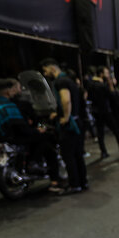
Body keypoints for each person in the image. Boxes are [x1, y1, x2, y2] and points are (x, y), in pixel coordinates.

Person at [0, 78, 61, 191]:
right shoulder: (8, 105)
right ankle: (38, 167)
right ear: (9, 91)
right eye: (17, 88)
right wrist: (37, 131)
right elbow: (22, 129)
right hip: (11, 138)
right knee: (45, 140)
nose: (19, 90)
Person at [41, 58, 88, 195]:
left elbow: (66, 100)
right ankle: (82, 182)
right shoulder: (70, 81)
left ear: (52, 68)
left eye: (45, 70)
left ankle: (74, 185)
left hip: (69, 125)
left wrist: (64, 118)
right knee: (78, 155)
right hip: (77, 122)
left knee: (69, 156)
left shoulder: (61, 82)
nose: (45, 74)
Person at [88, 66, 119, 159]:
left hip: (96, 112)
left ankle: (103, 152)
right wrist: (111, 85)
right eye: (106, 73)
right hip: (106, 111)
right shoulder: (103, 85)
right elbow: (113, 96)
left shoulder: (90, 84)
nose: (108, 75)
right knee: (116, 131)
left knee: (100, 133)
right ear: (101, 74)